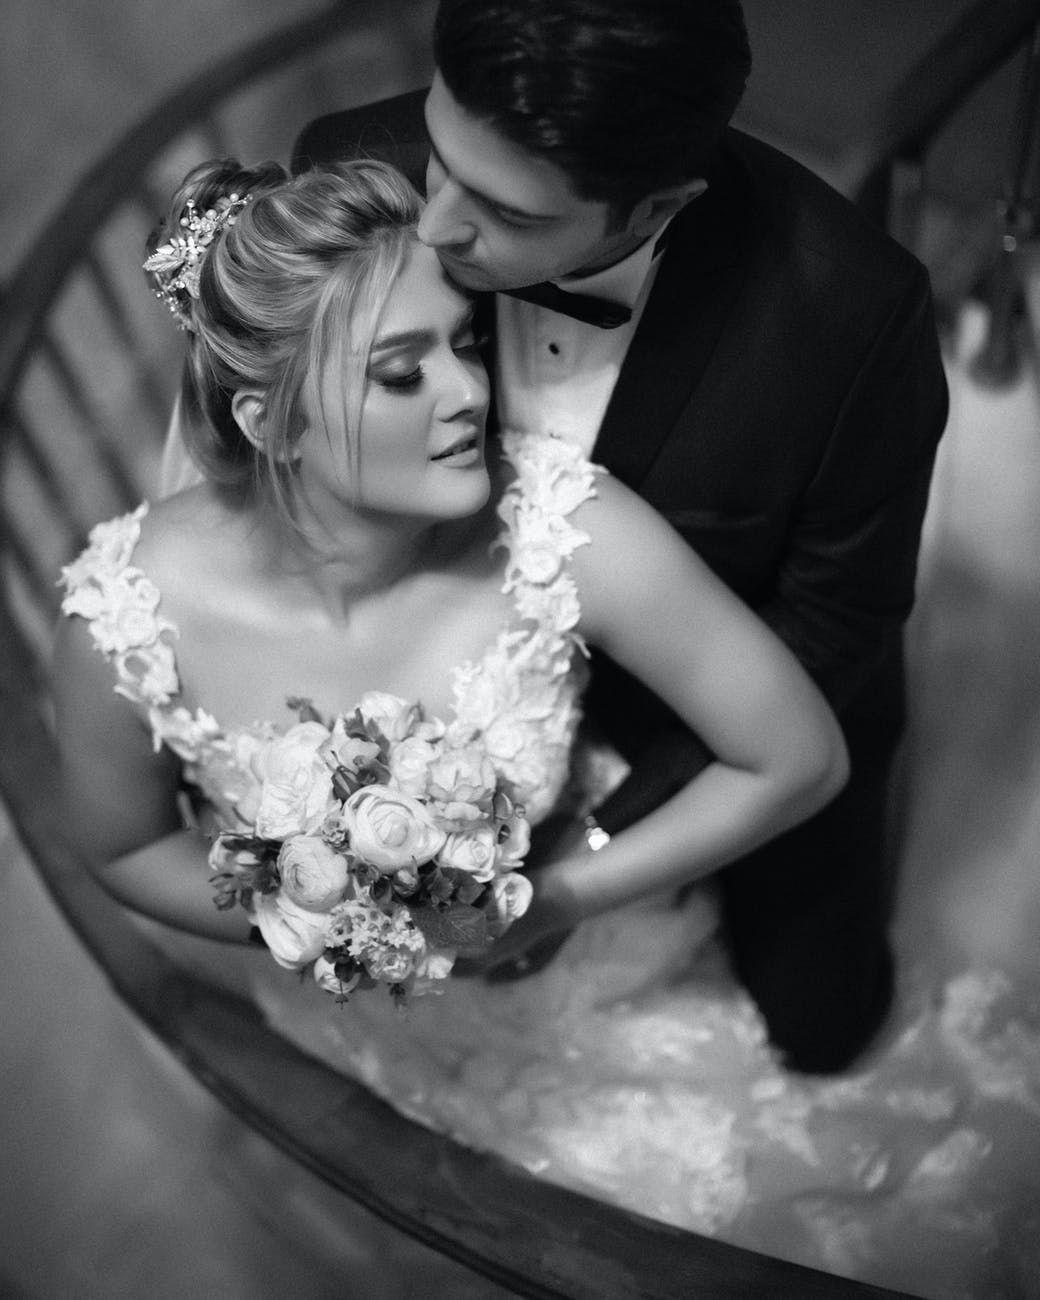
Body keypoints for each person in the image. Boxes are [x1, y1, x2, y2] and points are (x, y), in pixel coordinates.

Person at [287, 0, 951, 1074]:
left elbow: (841, 622)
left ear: (657, 206)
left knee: (826, 1034)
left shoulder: (847, 317)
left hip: (720, 708)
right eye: (440, 151)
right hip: (450, 666)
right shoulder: (354, 168)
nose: (433, 226)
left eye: (501, 211)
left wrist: (594, 844)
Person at [53, 155, 844, 978]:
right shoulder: (129, 621)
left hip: (579, 966)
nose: (468, 389)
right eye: (402, 373)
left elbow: (799, 758)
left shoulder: (562, 531)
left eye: (464, 342)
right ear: (272, 425)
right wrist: (325, 935)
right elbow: (125, 850)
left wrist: (556, 904)